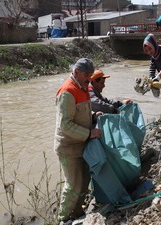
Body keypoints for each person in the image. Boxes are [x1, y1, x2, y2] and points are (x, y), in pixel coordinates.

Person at [54, 58, 102, 223]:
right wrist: (90, 133)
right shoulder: (67, 91)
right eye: (87, 74)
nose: (89, 78)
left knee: (84, 181)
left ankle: (76, 212)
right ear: (76, 72)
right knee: (73, 185)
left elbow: (80, 113)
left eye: (90, 75)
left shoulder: (82, 87)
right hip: (68, 147)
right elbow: (65, 124)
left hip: (81, 144)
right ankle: (62, 218)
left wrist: (93, 115)